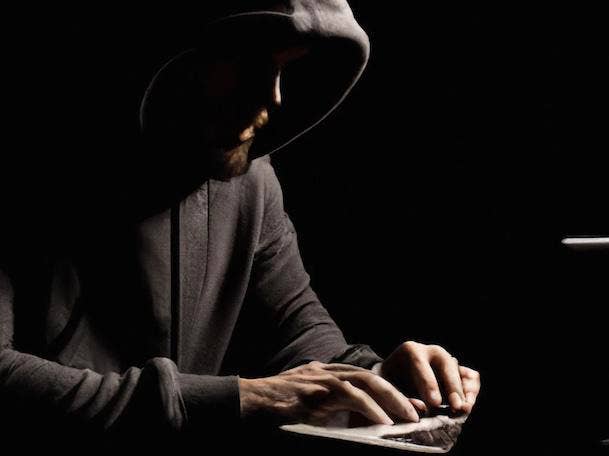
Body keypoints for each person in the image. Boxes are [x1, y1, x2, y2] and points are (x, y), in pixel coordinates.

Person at [0, 0, 479, 448]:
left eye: (285, 68)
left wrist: (375, 377)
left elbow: (296, 331)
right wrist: (241, 398)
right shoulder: (26, 164)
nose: (272, 98)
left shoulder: (249, 181)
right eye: (249, 64)